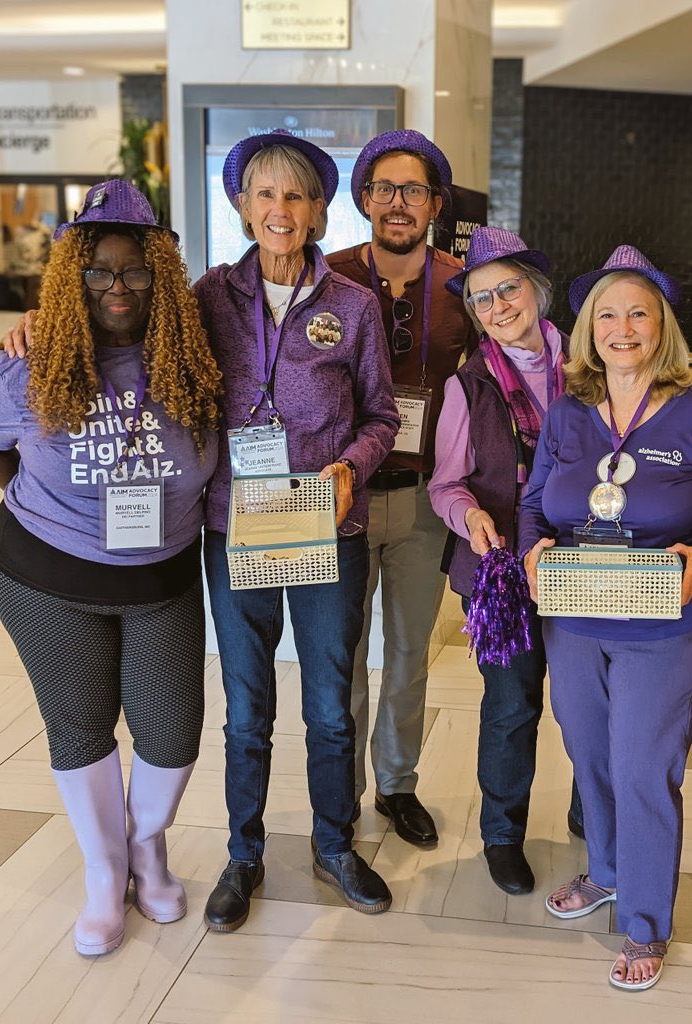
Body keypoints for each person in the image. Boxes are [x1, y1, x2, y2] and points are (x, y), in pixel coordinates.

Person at [0, 180, 222, 956]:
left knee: (173, 733)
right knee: (80, 730)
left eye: (134, 271)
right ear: (72, 279)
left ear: (161, 279)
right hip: (47, 582)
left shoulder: (194, 354)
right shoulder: (28, 363)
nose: (116, 286)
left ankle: (148, 844)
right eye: (98, 272)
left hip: (162, 579)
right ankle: (107, 874)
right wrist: (43, 506)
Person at [519, 245, 692, 991]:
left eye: (638, 313)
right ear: (588, 329)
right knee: (588, 755)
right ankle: (608, 871)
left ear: (662, 327)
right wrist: (530, 551)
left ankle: (646, 922)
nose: (622, 328)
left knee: (641, 769)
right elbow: (534, 503)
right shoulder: (566, 411)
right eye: (608, 315)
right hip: (576, 619)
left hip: (663, 624)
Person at [196, 130, 400, 928]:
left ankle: (334, 843)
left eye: (296, 195)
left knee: (327, 704)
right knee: (247, 707)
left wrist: (352, 464)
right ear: (243, 207)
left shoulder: (352, 305)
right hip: (233, 525)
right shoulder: (207, 297)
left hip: (326, 528)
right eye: (265, 194)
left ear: (318, 210)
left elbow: (383, 414)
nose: (279, 210)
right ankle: (243, 854)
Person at [326, 129, 478, 847]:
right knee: (344, 654)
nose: (397, 202)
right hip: (340, 503)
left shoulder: (462, 289)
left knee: (411, 652)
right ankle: (342, 793)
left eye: (412, 190)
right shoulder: (322, 279)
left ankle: (396, 784)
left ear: (435, 203)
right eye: (383, 188)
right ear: (363, 198)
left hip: (423, 501)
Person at [428, 226, 565, 894]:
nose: (498, 306)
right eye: (482, 299)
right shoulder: (469, 386)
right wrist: (470, 515)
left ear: (534, 290)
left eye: (507, 289)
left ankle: (592, 821)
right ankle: (502, 834)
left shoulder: (594, 365)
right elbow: (444, 484)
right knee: (512, 707)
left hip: (585, 570)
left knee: (587, 704)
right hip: (502, 572)